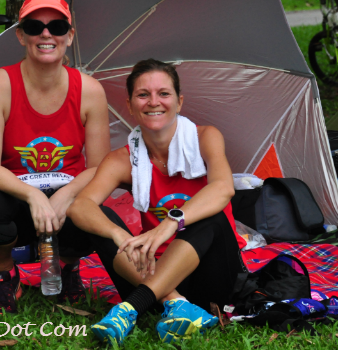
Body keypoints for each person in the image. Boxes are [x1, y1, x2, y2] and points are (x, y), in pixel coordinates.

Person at [66, 59, 248, 345]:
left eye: (164, 93)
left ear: (179, 101)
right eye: (143, 95)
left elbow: (223, 188)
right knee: (101, 219)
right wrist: (119, 235)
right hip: (150, 273)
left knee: (210, 216)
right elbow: (80, 206)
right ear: (130, 105)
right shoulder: (121, 159)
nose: (154, 102)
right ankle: (175, 304)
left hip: (213, 279)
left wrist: (170, 223)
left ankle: (130, 308)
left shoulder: (205, 137)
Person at [0, 0, 110, 314]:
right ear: (21, 35)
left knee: (96, 208)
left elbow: (100, 167)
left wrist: (65, 195)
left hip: (64, 202)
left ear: (69, 36)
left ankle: (67, 268)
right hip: (14, 199)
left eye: (57, 27)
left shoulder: (90, 90)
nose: (46, 34)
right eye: (34, 27)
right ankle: (5, 275)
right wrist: (34, 196)